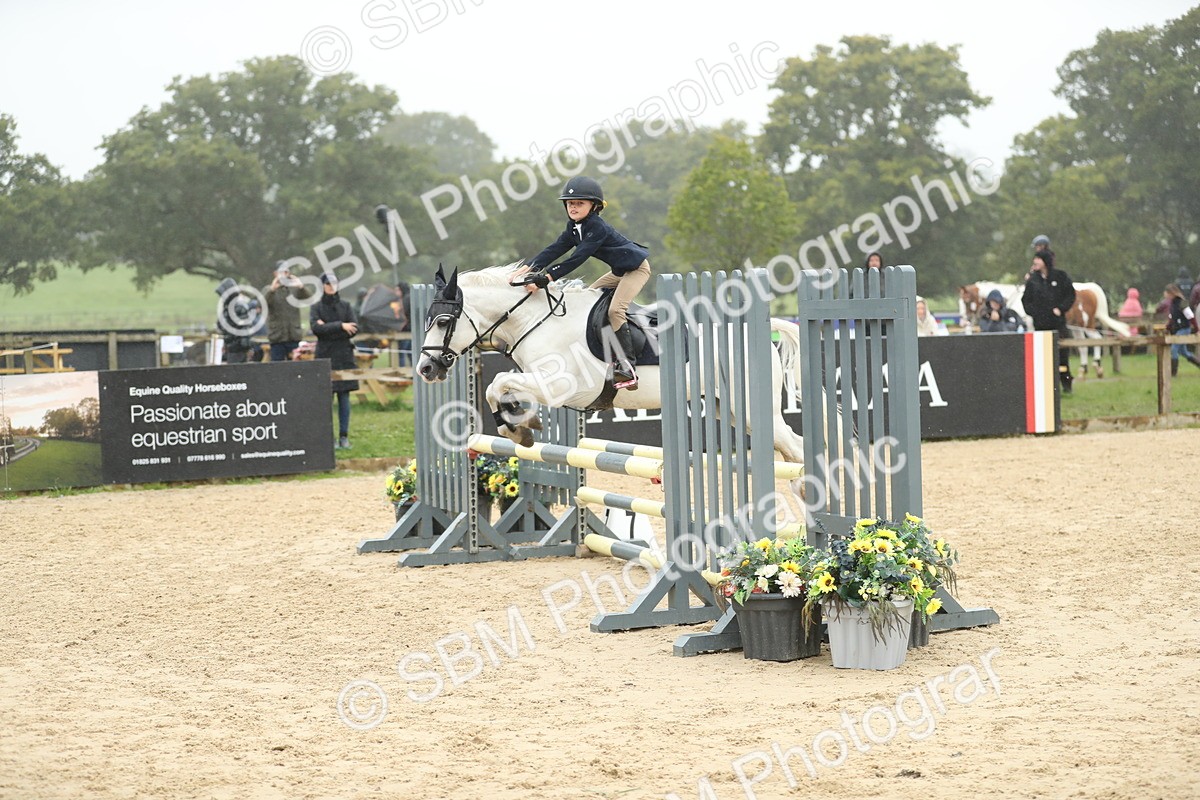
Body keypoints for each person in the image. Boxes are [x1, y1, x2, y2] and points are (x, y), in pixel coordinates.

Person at [518, 175, 650, 390]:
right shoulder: (573, 226)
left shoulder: (597, 227)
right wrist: (528, 267)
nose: (573, 207)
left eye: (579, 203)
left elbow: (578, 257)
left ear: (594, 206)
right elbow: (555, 248)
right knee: (589, 298)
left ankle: (628, 366)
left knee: (615, 310)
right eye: (570, 203)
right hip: (618, 272)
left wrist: (547, 277)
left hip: (636, 270)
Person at [310, 273, 360, 449]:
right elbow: (316, 329)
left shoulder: (346, 306)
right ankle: (328, 437)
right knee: (326, 399)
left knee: (344, 398)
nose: (331, 286)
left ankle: (344, 436)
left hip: (344, 357)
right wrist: (340, 326)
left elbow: (354, 328)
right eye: (328, 284)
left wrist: (327, 327)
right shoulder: (316, 307)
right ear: (323, 286)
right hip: (325, 357)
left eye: (334, 283)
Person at [1023, 251, 1076, 393]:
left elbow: (1070, 295)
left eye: (1038, 259)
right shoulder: (1033, 280)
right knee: (1043, 358)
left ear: (1045, 261)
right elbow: (1026, 300)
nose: (1035, 261)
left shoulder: (1060, 276)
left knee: (1062, 356)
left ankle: (1066, 384)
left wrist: (1061, 308)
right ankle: (1046, 387)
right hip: (1041, 326)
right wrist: (1035, 313)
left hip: (1058, 325)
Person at [263, 261, 313, 362]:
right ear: (275, 274)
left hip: (293, 335)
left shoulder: (294, 289)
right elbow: (262, 304)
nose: (283, 275)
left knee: (295, 366)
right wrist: (272, 290)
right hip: (277, 336)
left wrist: (301, 287)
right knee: (277, 366)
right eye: (280, 272)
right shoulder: (268, 289)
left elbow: (309, 298)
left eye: (285, 272)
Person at [214, 277, 263, 364]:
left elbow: (245, 328)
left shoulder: (239, 307)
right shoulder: (229, 308)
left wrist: (244, 346)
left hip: (238, 348)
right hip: (232, 347)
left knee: (236, 369)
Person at [1163, 284, 1200, 375]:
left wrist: (1197, 329)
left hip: (1184, 329)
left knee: (1174, 349)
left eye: (1166, 292)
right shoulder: (1172, 304)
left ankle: (1173, 373)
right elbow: (1172, 317)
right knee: (1183, 352)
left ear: (1171, 293)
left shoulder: (1182, 302)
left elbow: (1191, 316)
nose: (1165, 294)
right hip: (1177, 329)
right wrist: (1167, 328)